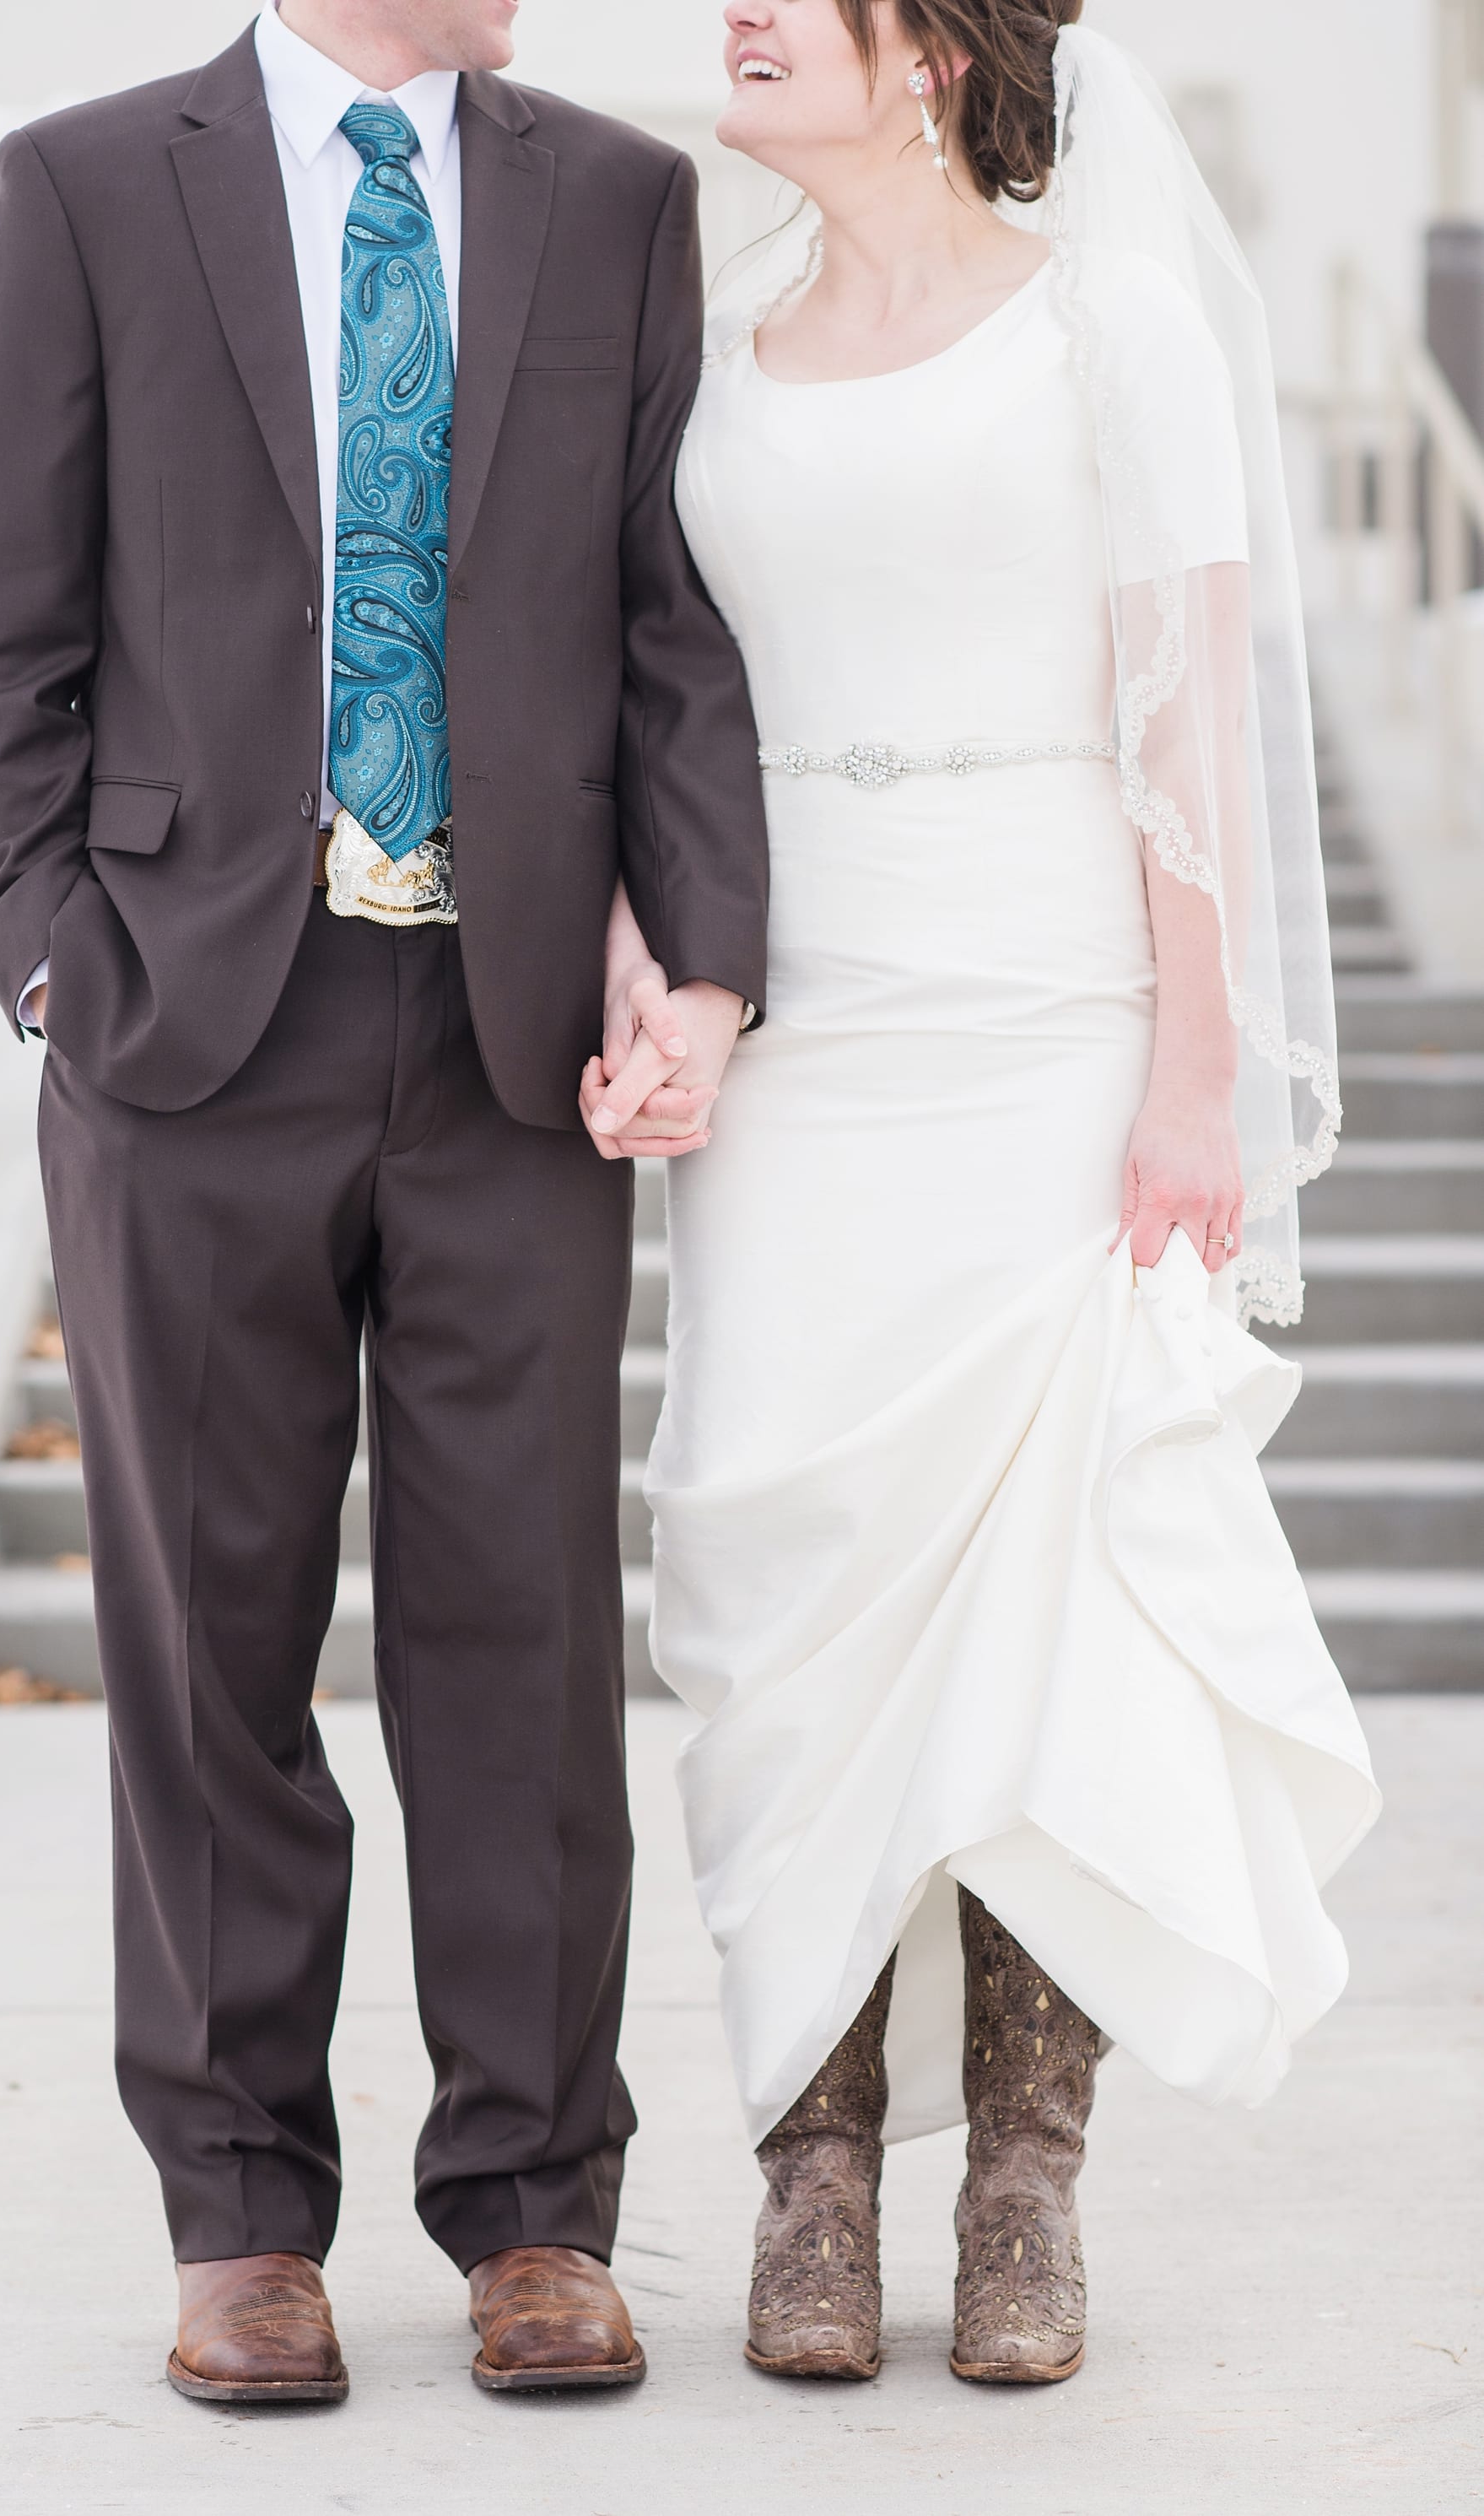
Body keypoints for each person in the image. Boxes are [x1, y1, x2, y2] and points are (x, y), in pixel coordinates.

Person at [0, 0, 768, 2404]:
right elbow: (3, 636)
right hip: (188, 1032)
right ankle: (234, 2215)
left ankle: (531, 2208)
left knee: (518, 1643)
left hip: (511, 1038)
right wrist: (47, 966)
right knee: (210, 1642)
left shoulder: (613, 196)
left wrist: (698, 958)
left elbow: (658, 620)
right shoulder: (84, 182)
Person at [586, 0, 1381, 2389]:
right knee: (779, 1580)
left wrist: (1192, 1076)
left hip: (1047, 1028)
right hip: (793, 1045)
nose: (728, 19)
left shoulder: (1108, 328)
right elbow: (636, 706)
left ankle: (1024, 2181)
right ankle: (811, 2171)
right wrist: (647, 971)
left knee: (1058, 1615)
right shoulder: (707, 351)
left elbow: (1192, 725)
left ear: (926, 51)